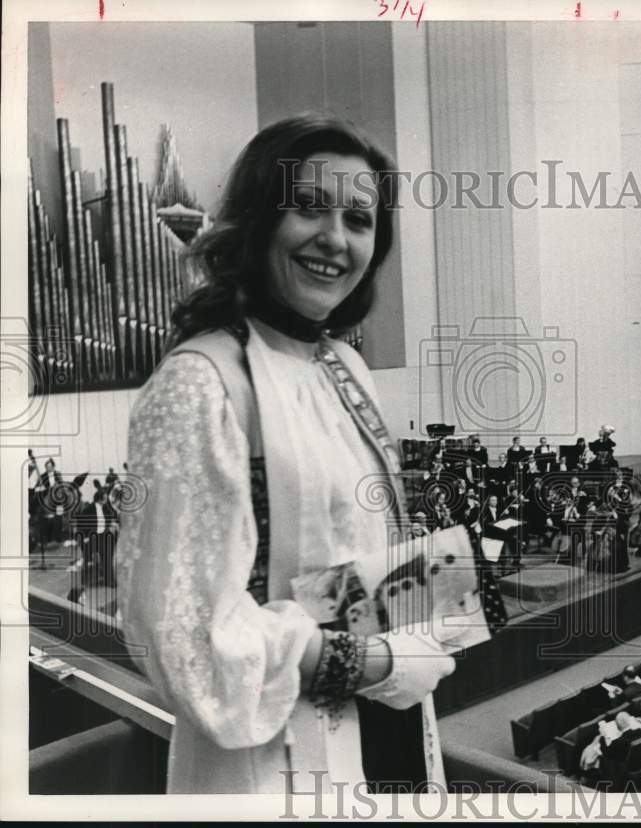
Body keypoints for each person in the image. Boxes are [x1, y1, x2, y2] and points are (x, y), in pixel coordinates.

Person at [117, 117, 461, 794]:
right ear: (257, 219)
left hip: (387, 722)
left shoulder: (345, 366)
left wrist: (431, 599)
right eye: (309, 208)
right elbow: (181, 630)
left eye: (358, 219)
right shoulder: (200, 383)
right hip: (273, 754)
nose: (335, 238)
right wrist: (368, 664)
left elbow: (340, 560)